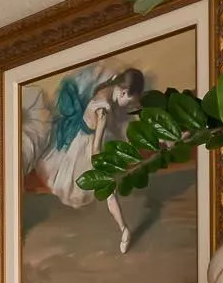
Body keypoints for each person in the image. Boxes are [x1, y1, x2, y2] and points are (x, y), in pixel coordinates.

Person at [20, 65, 148, 253]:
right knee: (108, 190)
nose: (130, 104)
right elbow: (96, 148)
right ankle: (124, 229)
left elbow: (126, 108)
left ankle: (124, 229)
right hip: (85, 148)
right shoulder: (102, 112)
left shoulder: (109, 85)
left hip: (94, 135)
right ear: (123, 92)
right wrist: (101, 170)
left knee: (130, 134)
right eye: (130, 100)